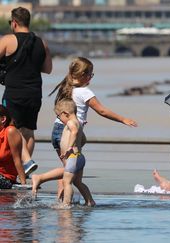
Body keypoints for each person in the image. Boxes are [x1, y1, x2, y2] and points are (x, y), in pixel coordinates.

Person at [48, 56, 137, 199]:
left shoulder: (66, 88)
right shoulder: (85, 92)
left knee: (67, 172)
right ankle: (64, 206)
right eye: (91, 74)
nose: (91, 77)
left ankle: (61, 202)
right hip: (70, 132)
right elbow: (101, 110)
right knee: (71, 173)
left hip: (57, 129)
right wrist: (123, 119)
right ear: (83, 75)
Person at [0, 6, 52, 157]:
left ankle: (22, 165)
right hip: (34, 93)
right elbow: (48, 69)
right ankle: (25, 167)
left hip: (14, 93)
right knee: (29, 131)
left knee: (9, 128)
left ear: (14, 22)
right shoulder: (42, 43)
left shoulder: (8, 40)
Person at [32, 99, 95, 207]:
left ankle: (66, 204)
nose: (59, 119)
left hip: (73, 157)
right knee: (78, 183)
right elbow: (84, 139)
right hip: (79, 156)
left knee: (67, 182)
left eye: (58, 116)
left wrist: (70, 147)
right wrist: (77, 147)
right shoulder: (78, 123)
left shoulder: (71, 123)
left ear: (65, 113)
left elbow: (74, 132)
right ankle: (90, 201)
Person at [0, 105, 26, 189]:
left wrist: (24, 185)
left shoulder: (10, 131)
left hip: (6, 179)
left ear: (3, 119)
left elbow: (17, 159)